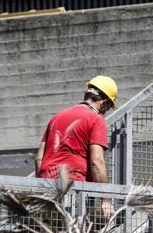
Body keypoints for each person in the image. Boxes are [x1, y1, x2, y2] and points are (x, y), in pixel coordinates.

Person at [35, 75, 118, 219]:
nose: (106, 112)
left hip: (46, 189)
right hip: (73, 191)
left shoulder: (56, 117)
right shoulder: (96, 119)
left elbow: (38, 158)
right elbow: (97, 161)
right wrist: (105, 200)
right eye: (108, 108)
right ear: (104, 103)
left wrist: (41, 184)